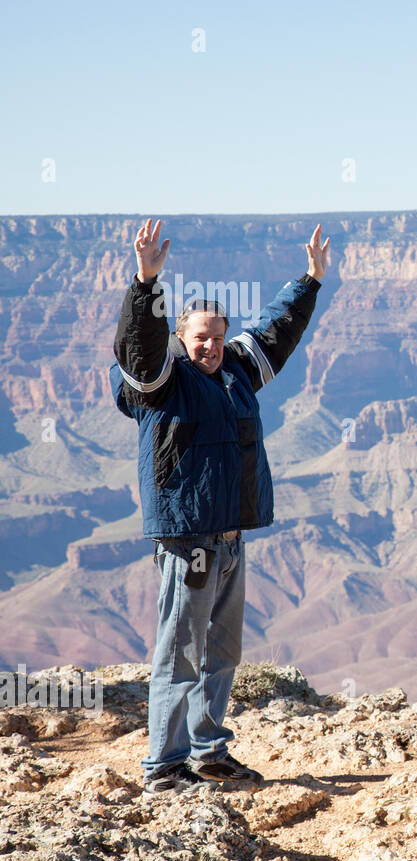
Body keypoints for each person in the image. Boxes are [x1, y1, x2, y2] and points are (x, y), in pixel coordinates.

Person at [110, 219, 330, 795]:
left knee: (223, 651)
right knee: (181, 651)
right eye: (197, 336)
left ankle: (209, 752)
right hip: (190, 541)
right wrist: (145, 283)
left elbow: (276, 332)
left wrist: (309, 281)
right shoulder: (163, 380)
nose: (207, 345)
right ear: (181, 338)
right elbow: (139, 345)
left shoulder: (235, 372)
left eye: (215, 335)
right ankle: (164, 766)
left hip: (230, 539)